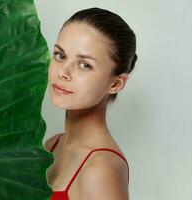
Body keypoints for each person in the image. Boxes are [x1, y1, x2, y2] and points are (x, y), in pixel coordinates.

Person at [44, 7, 137, 200]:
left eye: (84, 65)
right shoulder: (53, 145)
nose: (63, 72)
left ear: (115, 83)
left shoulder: (101, 169)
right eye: (60, 56)